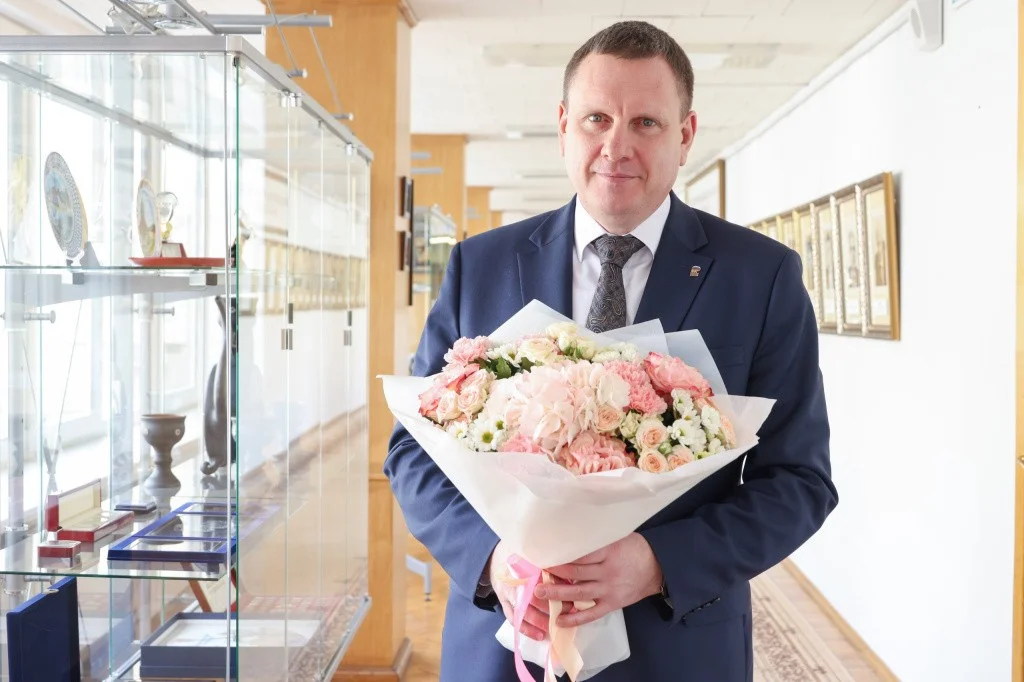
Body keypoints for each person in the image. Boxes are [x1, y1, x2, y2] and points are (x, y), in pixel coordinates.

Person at [384, 20, 837, 682]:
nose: (615, 146)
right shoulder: (479, 266)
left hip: (677, 647)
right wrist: (492, 558)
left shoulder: (760, 277)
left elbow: (799, 482)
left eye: (646, 123)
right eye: (596, 118)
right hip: (501, 643)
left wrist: (658, 562)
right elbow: (411, 451)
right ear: (564, 126)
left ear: (685, 135)